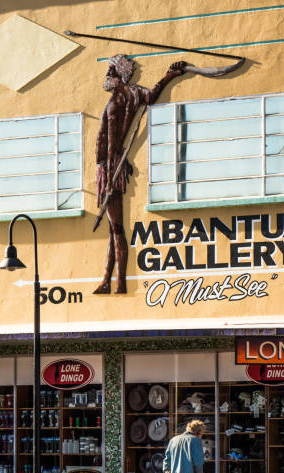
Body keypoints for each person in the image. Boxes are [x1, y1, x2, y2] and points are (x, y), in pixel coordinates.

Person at [94, 54, 187, 294]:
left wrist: (111, 174)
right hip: (111, 165)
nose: (108, 76)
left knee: (116, 228)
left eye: (111, 71)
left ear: (120, 74)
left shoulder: (117, 101)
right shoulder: (134, 94)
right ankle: (107, 279)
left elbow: (112, 143)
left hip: (110, 166)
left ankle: (119, 282)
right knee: (113, 227)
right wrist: (169, 75)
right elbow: (152, 96)